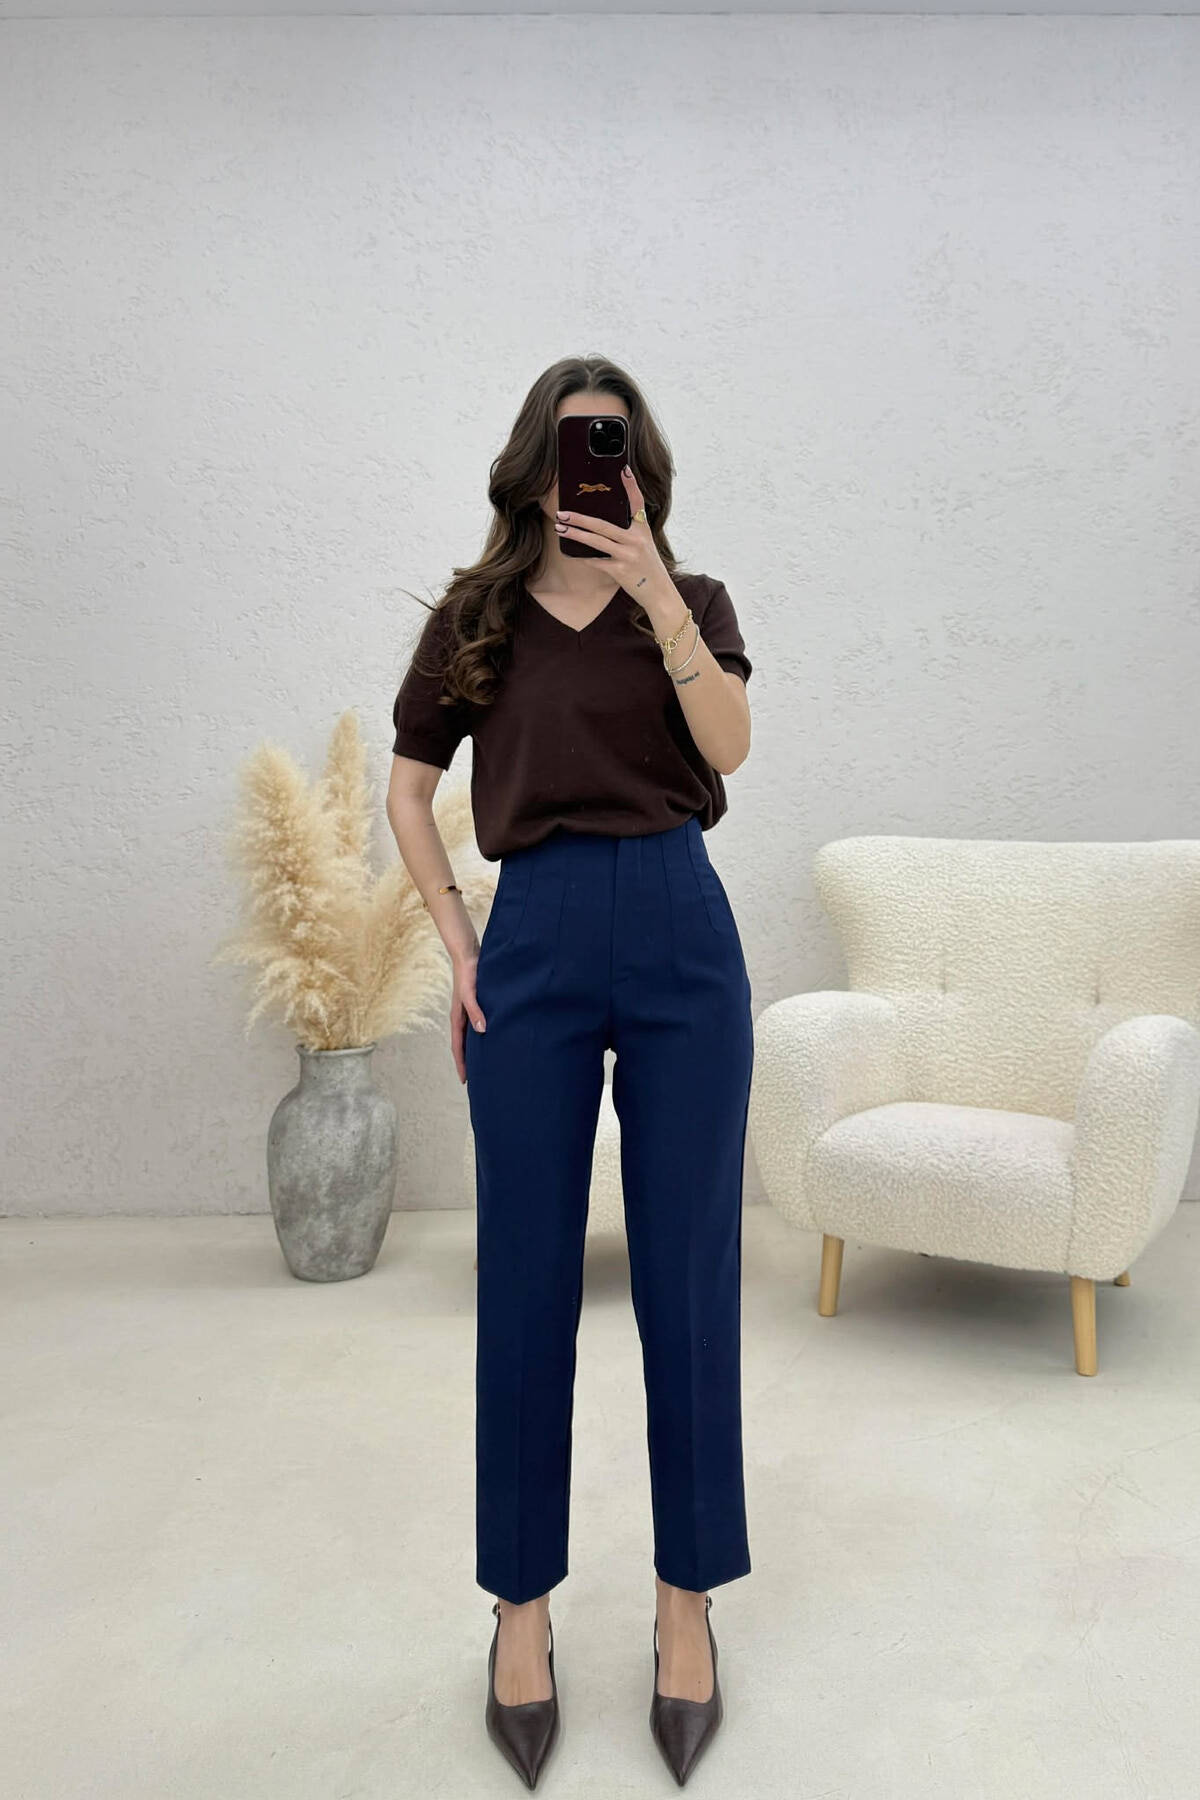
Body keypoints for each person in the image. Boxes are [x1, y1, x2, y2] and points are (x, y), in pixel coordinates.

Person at [386, 355, 754, 1789]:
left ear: (640, 472)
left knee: (688, 1278)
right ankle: (521, 1613)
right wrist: (458, 938)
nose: (592, 469)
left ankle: (686, 1604)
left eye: (616, 448)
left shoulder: (693, 601)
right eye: (571, 446)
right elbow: (412, 788)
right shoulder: (478, 616)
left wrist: (655, 590)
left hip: (679, 927)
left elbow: (730, 747)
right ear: (534, 465)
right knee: (527, 1281)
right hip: (533, 935)